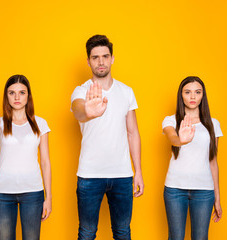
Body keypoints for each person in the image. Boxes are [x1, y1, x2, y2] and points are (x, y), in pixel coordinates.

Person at [71, 34, 144, 240]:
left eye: (105, 56)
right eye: (95, 57)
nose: (101, 61)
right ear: (88, 61)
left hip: (122, 175)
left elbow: (133, 132)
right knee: (86, 233)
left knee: (122, 232)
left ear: (112, 58)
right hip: (89, 175)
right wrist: (88, 111)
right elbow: (77, 110)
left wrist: (137, 171)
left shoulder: (126, 91)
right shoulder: (81, 91)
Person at [0, 75, 52, 240]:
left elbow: (45, 161)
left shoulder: (40, 123)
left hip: (33, 192)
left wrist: (48, 197)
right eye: (12, 93)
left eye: (21, 92)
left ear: (28, 95)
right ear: (7, 96)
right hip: (3, 193)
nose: (17, 97)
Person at [162, 76, 223, 240]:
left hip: (204, 190)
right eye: (187, 92)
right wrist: (181, 140)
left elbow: (213, 162)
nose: (193, 97)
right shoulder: (171, 120)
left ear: (203, 95)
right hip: (175, 189)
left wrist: (217, 198)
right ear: (181, 95)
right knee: (175, 237)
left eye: (197, 92)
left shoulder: (213, 124)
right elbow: (172, 138)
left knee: (201, 237)